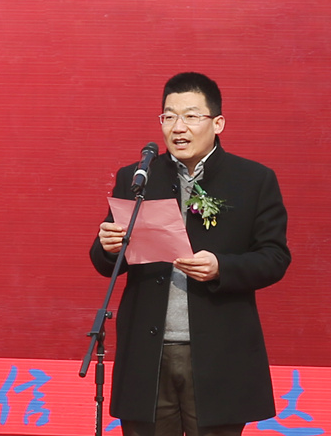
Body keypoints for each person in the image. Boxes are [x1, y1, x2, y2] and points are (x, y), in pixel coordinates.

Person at [90, 72, 291, 436]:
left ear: (218, 123)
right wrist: (107, 245)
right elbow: (106, 262)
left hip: (218, 357)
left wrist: (221, 267)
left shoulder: (253, 180)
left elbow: (275, 257)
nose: (178, 127)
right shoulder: (138, 177)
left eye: (191, 116)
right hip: (147, 358)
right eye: (169, 116)